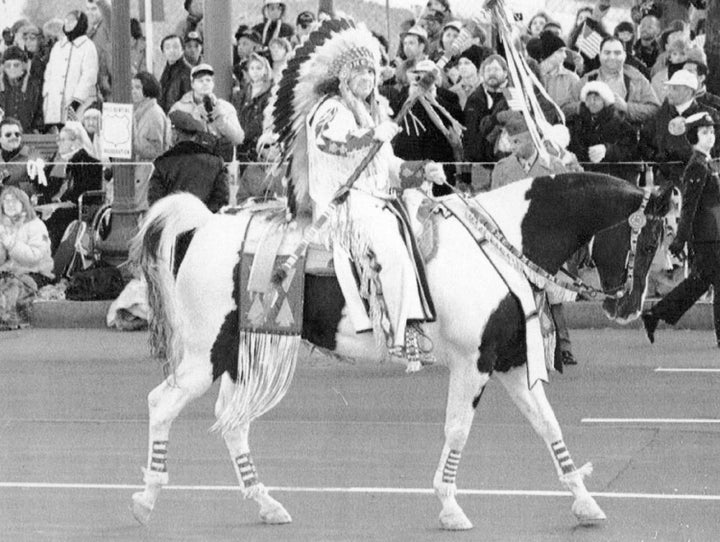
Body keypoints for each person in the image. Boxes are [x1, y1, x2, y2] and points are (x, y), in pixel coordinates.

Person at [295, 23, 445, 370]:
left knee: (422, 219)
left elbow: (389, 167)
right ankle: (401, 332)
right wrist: (370, 135)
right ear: (343, 76)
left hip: (376, 196)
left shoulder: (370, 111)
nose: (367, 77)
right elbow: (330, 142)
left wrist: (422, 170)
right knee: (391, 248)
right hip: (345, 203)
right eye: (359, 70)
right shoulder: (330, 108)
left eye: (372, 71)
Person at [490, 110, 578, 366]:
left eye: (519, 141)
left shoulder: (553, 166)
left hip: (545, 236)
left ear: (532, 139)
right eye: (512, 142)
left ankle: (562, 345)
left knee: (550, 294)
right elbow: (495, 201)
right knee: (514, 294)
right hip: (513, 237)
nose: (514, 147)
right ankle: (513, 345)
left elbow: (565, 202)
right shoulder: (503, 168)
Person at [641, 112, 720, 347]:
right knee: (704, 282)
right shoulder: (697, 166)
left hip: (713, 234)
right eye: (704, 132)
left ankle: (655, 315)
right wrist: (680, 240)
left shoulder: (705, 163)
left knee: (698, 283)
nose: (710, 136)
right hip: (707, 238)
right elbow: (689, 207)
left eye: (712, 131)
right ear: (693, 136)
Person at [640, 69, 720, 188]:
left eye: (674, 88)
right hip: (666, 183)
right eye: (669, 88)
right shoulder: (659, 116)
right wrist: (658, 157)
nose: (669, 92)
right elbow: (644, 143)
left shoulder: (710, 115)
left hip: (702, 184)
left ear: (688, 91)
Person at [147, 110, 228, 212]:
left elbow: (155, 202)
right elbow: (221, 199)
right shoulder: (216, 163)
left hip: (173, 224)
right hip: (205, 224)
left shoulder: (163, 164)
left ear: (175, 135)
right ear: (194, 136)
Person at [569, 36, 660, 125]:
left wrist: (626, 108)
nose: (612, 57)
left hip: (626, 136)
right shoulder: (587, 79)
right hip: (591, 137)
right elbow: (564, 108)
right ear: (600, 55)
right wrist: (582, 107)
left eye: (617, 53)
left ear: (624, 56)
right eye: (607, 53)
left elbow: (655, 110)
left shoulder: (637, 80)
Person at [42, 121, 102, 252]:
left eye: (63, 140)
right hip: (71, 202)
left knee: (56, 216)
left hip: (84, 206)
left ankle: (54, 256)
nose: (59, 144)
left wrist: (62, 202)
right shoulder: (69, 160)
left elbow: (82, 190)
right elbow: (54, 188)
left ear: (74, 143)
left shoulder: (84, 161)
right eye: (59, 140)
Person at [0, 186, 54, 329]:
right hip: (9, 273)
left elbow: (35, 257)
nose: (9, 204)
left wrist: (11, 244)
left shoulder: (36, 226)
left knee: (11, 288)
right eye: (6, 201)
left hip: (35, 274)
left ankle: (9, 319)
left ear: (23, 203)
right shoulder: (4, 226)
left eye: (14, 201)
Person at [169, 63, 244, 161]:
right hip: (188, 163)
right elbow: (169, 140)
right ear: (192, 84)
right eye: (200, 80)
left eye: (208, 80)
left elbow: (238, 139)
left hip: (218, 164)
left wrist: (220, 118)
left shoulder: (226, 108)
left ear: (213, 84)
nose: (205, 83)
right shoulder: (178, 107)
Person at [567, 81, 639, 182]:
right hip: (583, 178)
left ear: (605, 100)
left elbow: (630, 150)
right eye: (588, 98)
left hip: (612, 179)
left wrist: (607, 150)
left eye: (596, 98)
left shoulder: (620, 122)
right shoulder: (576, 122)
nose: (592, 102)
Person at [43, 10, 99, 128]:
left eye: (72, 21)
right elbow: (49, 73)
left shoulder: (88, 46)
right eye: (66, 20)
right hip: (55, 106)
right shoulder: (58, 47)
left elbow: (89, 77)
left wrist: (76, 101)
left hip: (78, 105)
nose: (68, 23)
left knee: (75, 135)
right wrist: (47, 95)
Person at [132, 72, 171, 212]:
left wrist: (133, 143)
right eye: (132, 87)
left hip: (147, 173)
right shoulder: (139, 111)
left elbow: (156, 149)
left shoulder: (154, 114)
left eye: (137, 87)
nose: (133, 91)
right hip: (138, 172)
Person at [526, 31, 579, 117]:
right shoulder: (531, 77)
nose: (565, 56)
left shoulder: (572, 79)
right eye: (560, 51)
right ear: (549, 53)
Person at [0, 46, 43, 133]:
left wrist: (37, 128)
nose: (12, 69)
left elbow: (40, 111)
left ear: (23, 66)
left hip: (28, 134)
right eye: (8, 65)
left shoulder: (34, 86)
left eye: (16, 65)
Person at [0, 118, 42, 199]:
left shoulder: (32, 155)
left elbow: (39, 190)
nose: (14, 137)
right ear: (0, 139)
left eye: (17, 134)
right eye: (8, 135)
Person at [158, 34, 192, 113]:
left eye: (175, 47)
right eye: (167, 47)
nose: (171, 50)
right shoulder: (166, 70)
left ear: (182, 49)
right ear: (163, 52)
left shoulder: (188, 72)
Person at [85, 0, 112, 100]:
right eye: (87, 9)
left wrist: (101, 2)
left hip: (108, 88)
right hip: (97, 87)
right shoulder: (91, 30)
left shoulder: (107, 26)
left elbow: (109, 12)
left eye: (94, 9)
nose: (90, 12)